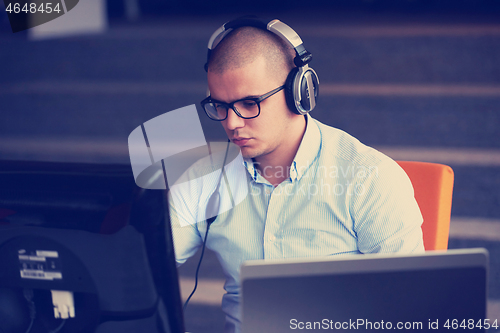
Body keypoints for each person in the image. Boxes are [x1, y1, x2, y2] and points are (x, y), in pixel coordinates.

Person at [169, 18, 424, 333]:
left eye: (249, 103)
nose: (232, 123)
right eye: (220, 106)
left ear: (299, 92)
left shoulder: (369, 178)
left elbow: (411, 310)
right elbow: (140, 268)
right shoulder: (203, 179)